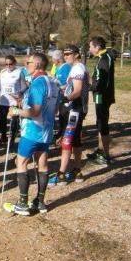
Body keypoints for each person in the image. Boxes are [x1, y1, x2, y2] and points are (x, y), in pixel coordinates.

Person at [7, 53, 59, 215]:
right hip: (46, 131)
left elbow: (35, 112)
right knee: (42, 165)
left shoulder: (37, 84)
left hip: (32, 131)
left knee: (21, 163)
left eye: (28, 62)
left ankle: (23, 203)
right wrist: (23, 103)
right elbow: (54, 108)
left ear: (37, 65)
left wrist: (16, 111)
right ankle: (40, 202)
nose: (25, 65)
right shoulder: (53, 82)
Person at [48, 45, 90, 186]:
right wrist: (59, 88)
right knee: (76, 141)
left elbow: (77, 91)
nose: (65, 57)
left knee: (66, 141)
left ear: (77, 54)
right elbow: (72, 86)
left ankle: (61, 175)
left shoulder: (78, 68)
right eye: (64, 54)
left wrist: (64, 99)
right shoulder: (77, 67)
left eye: (68, 54)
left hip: (74, 110)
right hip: (77, 109)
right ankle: (77, 171)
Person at [88, 36, 115, 166]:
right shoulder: (103, 58)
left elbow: (101, 81)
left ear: (97, 47)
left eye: (91, 47)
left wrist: (89, 87)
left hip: (102, 96)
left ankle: (106, 156)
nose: (89, 49)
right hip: (102, 95)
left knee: (103, 125)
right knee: (100, 123)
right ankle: (100, 151)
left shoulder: (104, 59)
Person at [0, 55, 27, 148]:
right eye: (6, 64)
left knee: (14, 120)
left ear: (14, 63)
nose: (8, 66)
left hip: (14, 100)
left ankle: (12, 140)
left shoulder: (19, 72)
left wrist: (20, 93)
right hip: (4, 100)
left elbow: (24, 86)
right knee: (1, 119)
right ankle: (3, 136)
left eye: (10, 64)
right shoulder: (2, 72)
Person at [51, 50, 71, 140]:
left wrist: (61, 87)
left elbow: (70, 82)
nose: (52, 61)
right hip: (60, 95)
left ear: (57, 60)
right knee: (60, 115)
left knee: (64, 114)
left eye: (53, 59)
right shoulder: (58, 67)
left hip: (66, 96)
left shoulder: (66, 67)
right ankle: (61, 132)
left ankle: (64, 135)